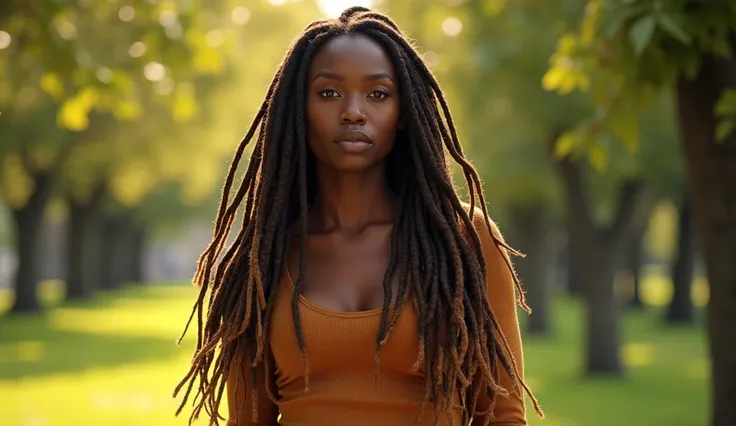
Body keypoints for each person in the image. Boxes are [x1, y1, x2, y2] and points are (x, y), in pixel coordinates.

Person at [174, 6, 542, 426]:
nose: (353, 111)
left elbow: (502, 415)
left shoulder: (465, 239)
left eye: (378, 94)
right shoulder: (266, 256)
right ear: (298, 109)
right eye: (329, 93)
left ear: (403, 114)